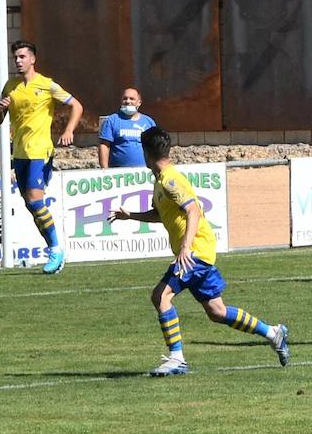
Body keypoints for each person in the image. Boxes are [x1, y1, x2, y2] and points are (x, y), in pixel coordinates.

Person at [108, 126, 289, 376]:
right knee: (217, 311)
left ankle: (177, 358)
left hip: (194, 252)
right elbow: (161, 215)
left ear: (145, 152)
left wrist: (185, 248)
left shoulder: (171, 179)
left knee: (160, 297)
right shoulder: (160, 180)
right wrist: (131, 216)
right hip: (199, 251)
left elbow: (193, 209)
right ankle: (272, 332)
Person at [0, 40, 83, 274]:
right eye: (16, 57)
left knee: (34, 200)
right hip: (19, 153)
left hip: (40, 150)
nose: (18, 61)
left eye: (22, 57)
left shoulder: (47, 85)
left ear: (33, 59)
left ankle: (55, 249)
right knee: (31, 205)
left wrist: (69, 130)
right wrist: (0, 110)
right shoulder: (10, 87)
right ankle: (54, 248)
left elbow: (77, 106)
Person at [97, 87, 155, 169]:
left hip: (144, 173)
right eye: (125, 98)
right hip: (119, 174)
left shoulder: (149, 122)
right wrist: (105, 170)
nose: (128, 101)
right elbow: (104, 145)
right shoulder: (112, 120)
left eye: (132, 99)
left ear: (139, 103)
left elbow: (156, 146)